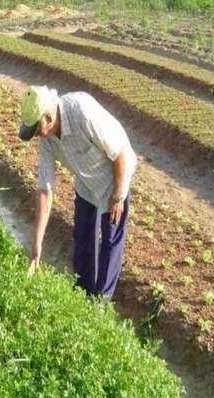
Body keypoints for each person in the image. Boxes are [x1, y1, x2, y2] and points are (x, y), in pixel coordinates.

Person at [18, 85, 138, 302]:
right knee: (82, 241)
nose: (36, 134)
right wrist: (36, 246)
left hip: (114, 178)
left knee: (109, 243)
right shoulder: (47, 140)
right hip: (86, 183)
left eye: (36, 128)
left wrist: (119, 195)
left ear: (47, 117)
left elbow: (119, 152)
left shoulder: (81, 111)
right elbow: (45, 189)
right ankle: (83, 296)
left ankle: (100, 306)